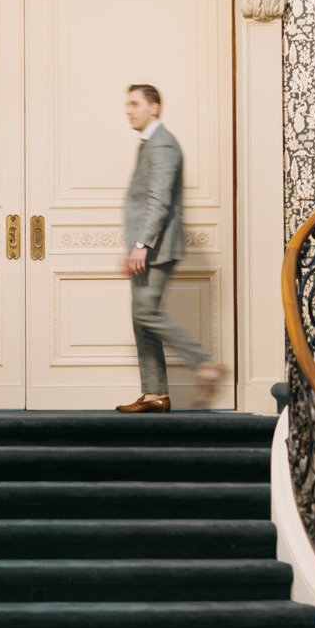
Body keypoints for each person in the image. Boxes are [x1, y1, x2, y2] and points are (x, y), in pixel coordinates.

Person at [116, 83, 228, 413]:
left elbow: (158, 201)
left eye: (135, 104)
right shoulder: (149, 144)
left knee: (146, 313)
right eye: (128, 104)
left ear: (155, 108)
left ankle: (204, 364)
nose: (129, 110)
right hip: (147, 247)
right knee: (142, 320)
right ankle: (154, 394)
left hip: (157, 248)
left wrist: (141, 245)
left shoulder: (163, 145)